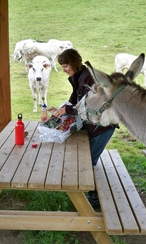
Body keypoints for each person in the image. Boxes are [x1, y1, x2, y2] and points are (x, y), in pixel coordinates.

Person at [53, 48, 118, 208]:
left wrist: (66, 110)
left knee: (87, 162)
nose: (64, 70)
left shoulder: (87, 78)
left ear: (74, 63)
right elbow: (75, 99)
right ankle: (89, 194)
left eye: (66, 66)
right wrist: (62, 109)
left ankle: (94, 200)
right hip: (94, 126)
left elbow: (85, 107)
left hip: (102, 127)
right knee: (85, 160)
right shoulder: (79, 76)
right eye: (62, 67)